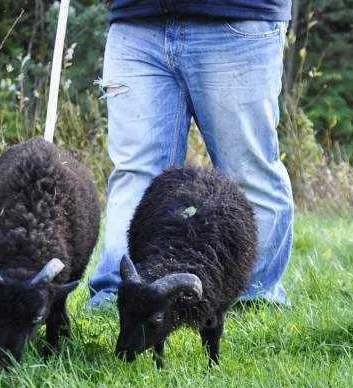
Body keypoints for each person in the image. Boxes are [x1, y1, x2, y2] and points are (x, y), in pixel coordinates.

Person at [88, 0, 294, 309]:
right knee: (136, 175)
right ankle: (124, 295)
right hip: (136, 22)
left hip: (237, 19)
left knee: (248, 173)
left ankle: (253, 299)